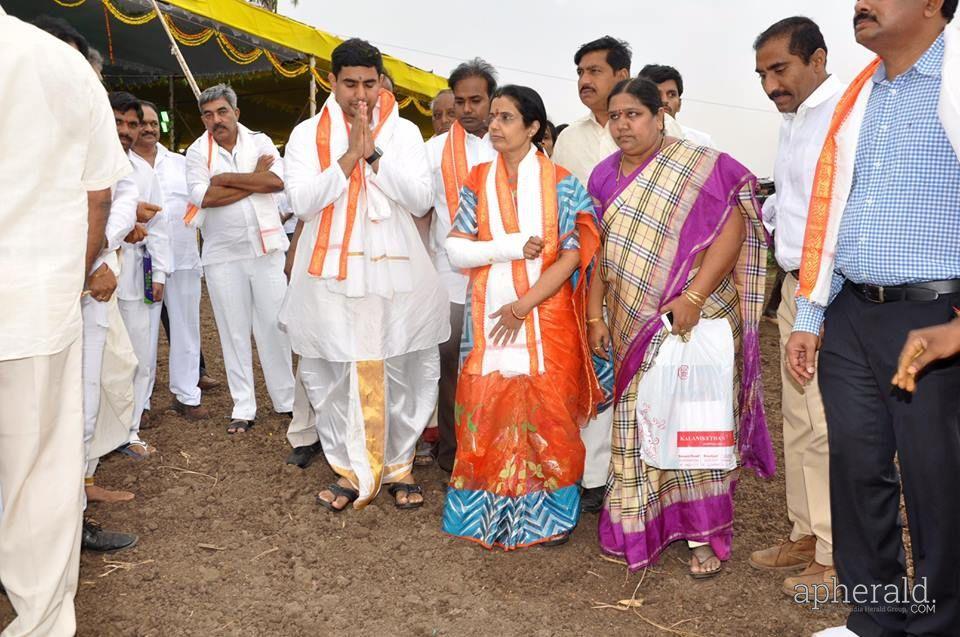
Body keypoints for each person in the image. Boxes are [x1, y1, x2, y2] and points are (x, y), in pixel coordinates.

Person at [785, 2, 960, 635]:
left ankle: (943, 624)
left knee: (938, 481)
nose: (861, 1)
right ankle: (875, 619)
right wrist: (809, 314)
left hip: (935, 320)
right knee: (857, 474)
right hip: (852, 314)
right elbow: (834, 215)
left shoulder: (954, 80)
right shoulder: (862, 95)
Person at [588, 78, 773, 578]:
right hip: (632, 320)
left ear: (659, 115)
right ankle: (640, 526)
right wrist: (595, 315)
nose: (623, 124)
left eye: (634, 114)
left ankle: (704, 534)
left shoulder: (697, 165)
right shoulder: (603, 178)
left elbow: (731, 224)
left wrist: (693, 296)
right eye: (615, 116)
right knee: (639, 422)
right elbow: (599, 255)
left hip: (697, 315)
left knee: (696, 426)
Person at [0, 9, 131, 634]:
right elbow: (97, 195)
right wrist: (68, 284)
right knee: (38, 480)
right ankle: (39, 624)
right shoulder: (60, 64)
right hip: (33, 307)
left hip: (36, 305)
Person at [281, 38, 447, 511]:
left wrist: (375, 157)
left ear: (381, 83)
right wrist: (348, 158)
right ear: (330, 81)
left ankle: (399, 464)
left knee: (404, 364)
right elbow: (302, 202)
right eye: (350, 83)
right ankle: (350, 467)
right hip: (331, 271)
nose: (360, 94)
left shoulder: (406, 134)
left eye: (369, 84)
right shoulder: (305, 135)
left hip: (394, 269)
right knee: (336, 366)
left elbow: (419, 200)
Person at [441, 84, 603, 549]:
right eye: (493, 116)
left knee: (548, 413)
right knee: (487, 406)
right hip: (488, 316)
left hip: (546, 317)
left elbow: (573, 256)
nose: (494, 125)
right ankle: (484, 506)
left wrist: (524, 304)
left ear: (533, 127)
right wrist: (509, 250)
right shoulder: (477, 179)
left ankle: (550, 516)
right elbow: (456, 248)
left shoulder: (563, 183)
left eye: (506, 117)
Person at [749, 16, 842, 597]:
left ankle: (837, 556)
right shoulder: (792, 118)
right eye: (761, 74)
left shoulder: (844, 115)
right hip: (793, 286)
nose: (769, 85)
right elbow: (794, 201)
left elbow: (838, 211)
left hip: (829, 289)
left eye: (779, 69)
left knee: (830, 424)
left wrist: (817, 294)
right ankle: (807, 534)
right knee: (800, 420)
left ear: (817, 59)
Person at [185, 83, 295, 433]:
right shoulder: (196, 151)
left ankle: (286, 401)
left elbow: (277, 183)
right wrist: (253, 178)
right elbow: (204, 198)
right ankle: (243, 407)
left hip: (265, 251)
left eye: (221, 111)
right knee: (232, 332)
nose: (215, 120)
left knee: (275, 327)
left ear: (236, 113)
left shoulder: (260, 141)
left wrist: (227, 179)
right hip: (222, 255)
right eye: (207, 114)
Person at [424, 57, 498, 472]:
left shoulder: (509, 144)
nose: (468, 109)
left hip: (502, 279)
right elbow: (421, 212)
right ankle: (453, 457)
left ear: (491, 100)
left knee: (495, 368)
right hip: (449, 278)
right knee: (450, 368)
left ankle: (491, 453)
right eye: (461, 101)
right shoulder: (433, 151)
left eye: (476, 100)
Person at [133, 100, 210, 421]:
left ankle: (187, 395)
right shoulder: (121, 164)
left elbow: (202, 199)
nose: (149, 128)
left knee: (186, 328)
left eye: (154, 123)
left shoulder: (179, 162)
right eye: (142, 123)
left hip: (183, 257)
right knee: (142, 332)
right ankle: (141, 403)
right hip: (140, 263)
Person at [113, 91, 171, 457]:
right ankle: (97, 434)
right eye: (118, 121)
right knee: (101, 359)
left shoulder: (143, 171)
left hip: (137, 274)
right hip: (93, 278)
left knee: (139, 356)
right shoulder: (85, 162)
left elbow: (160, 227)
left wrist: (161, 274)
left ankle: (129, 430)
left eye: (132, 124)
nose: (126, 130)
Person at [638, 64, 714, 147]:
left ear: (679, 104)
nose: (665, 100)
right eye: (657, 94)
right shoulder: (628, 141)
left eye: (671, 94)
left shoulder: (702, 142)